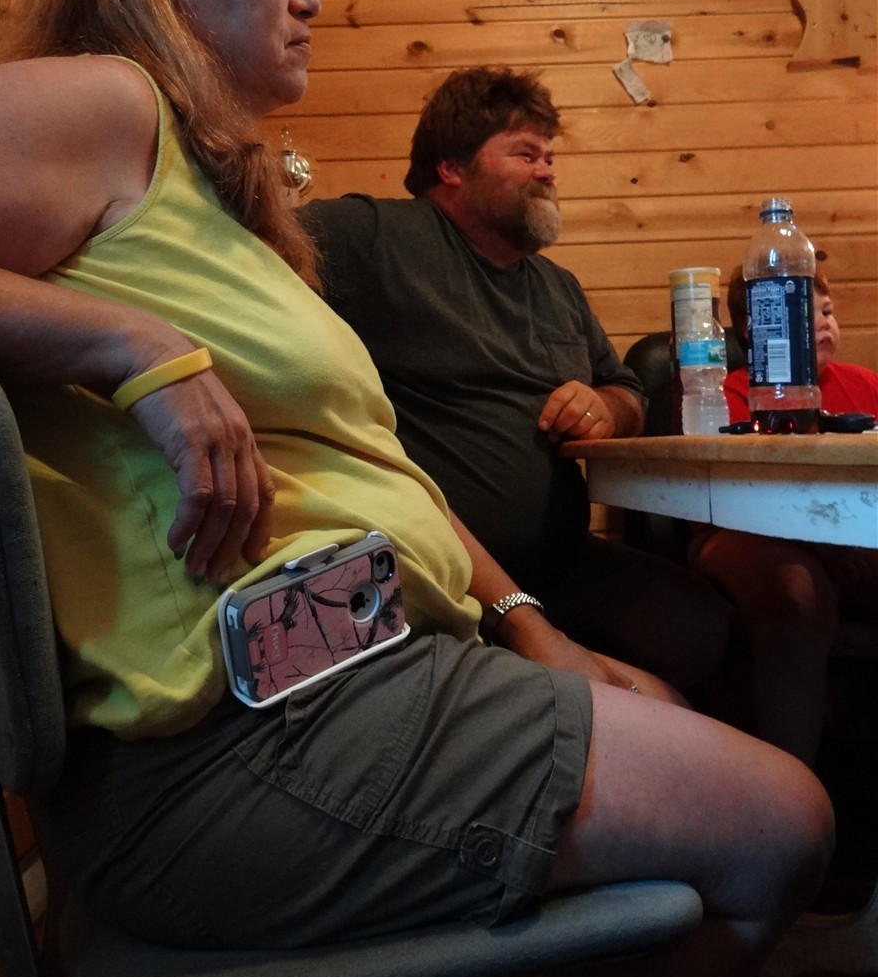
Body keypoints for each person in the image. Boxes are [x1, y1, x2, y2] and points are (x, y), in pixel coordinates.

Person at [0, 0, 834, 977]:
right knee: (782, 825)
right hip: (238, 743)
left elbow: (376, 466)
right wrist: (121, 344)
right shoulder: (103, 104)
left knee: (683, 718)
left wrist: (529, 627)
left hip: (357, 664)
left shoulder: (227, 210)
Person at [300, 65, 732, 695]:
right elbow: (254, 248)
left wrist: (607, 406)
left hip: (562, 565)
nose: (548, 171)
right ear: (451, 166)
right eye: (526, 154)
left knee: (704, 625)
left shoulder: (558, 287)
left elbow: (628, 389)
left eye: (550, 157)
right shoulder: (376, 236)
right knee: (649, 698)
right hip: (440, 574)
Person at [688, 268, 878, 766]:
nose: (823, 323)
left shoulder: (863, 385)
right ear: (756, 327)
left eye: (828, 312)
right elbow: (739, 495)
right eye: (803, 314)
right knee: (796, 589)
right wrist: (826, 547)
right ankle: (791, 785)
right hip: (743, 529)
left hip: (860, 533)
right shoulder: (733, 392)